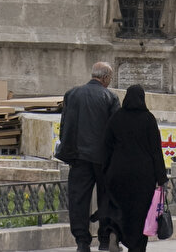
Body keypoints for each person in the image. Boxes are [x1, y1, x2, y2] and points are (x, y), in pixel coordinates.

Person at [59, 61, 119, 252]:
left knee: (78, 200)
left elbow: (65, 126)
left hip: (79, 157)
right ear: (106, 78)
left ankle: (82, 242)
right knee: (107, 198)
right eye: (110, 78)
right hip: (103, 160)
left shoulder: (72, 94)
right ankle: (104, 239)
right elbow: (115, 131)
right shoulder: (110, 97)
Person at [102, 83, 168, 252]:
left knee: (119, 207)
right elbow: (155, 150)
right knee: (139, 213)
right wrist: (161, 178)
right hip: (143, 176)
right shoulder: (148, 119)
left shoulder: (116, 117)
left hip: (118, 173)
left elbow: (106, 146)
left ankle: (115, 233)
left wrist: (105, 171)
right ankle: (136, 247)